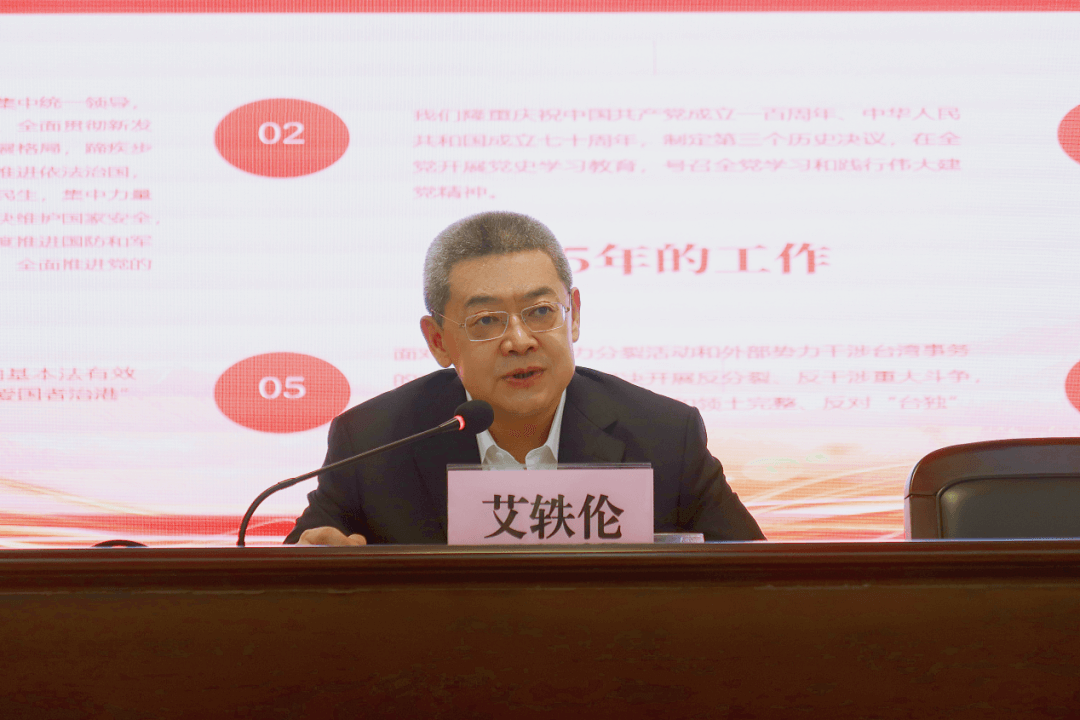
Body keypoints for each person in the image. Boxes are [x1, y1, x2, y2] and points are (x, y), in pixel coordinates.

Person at [285, 211, 764, 545]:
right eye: (486, 320)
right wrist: (317, 563)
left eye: (540, 311)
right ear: (438, 341)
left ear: (574, 315)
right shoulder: (373, 443)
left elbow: (759, 583)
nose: (519, 341)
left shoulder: (665, 436)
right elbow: (295, 574)